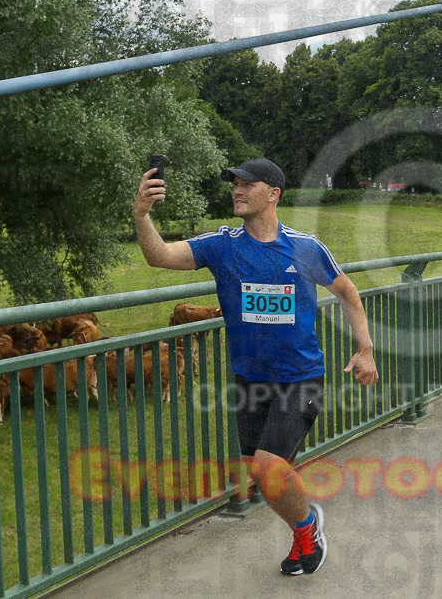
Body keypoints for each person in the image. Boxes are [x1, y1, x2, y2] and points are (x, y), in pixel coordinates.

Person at [133, 158, 378, 576]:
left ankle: (307, 529)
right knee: (263, 475)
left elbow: (347, 290)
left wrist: (365, 348)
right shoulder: (222, 245)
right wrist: (141, 215)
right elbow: (160, 257)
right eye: (235, 184)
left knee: (268, 466)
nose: (238, 190)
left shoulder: (304, 247)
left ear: (274, 194)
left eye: (248, 184)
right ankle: (306, 525)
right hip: (250, 379)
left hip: (300, 378)